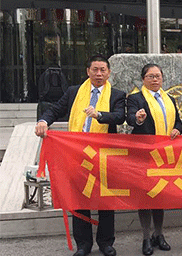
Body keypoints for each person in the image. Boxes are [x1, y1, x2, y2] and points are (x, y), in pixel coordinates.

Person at [35, 55, 126, 256]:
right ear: (88, 71)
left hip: (104, 155)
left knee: (105, 200)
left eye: (103, 70)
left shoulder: (117, 95)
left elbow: (120, 117)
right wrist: (43, 121)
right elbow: (56, 110)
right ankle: (83, 244)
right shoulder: (74, 92)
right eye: (95, 69)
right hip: (77, 154)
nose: (99, 74)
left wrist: (99, 115)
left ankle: (106, 243)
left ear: (109, 73)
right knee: (79, 199)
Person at [126, 64, 182, 255]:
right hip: (144, 156)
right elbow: (131, 119)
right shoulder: (136, 99)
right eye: (150, 76)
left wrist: (177, 129)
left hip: (164, 155)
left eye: (158, 76)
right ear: (143, 79)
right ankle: (145, 238)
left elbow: (178, 121)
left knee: (160, 196)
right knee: (145, 197)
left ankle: (159, 235)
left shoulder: (169, 99)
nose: (155, 79)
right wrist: (139, 119)